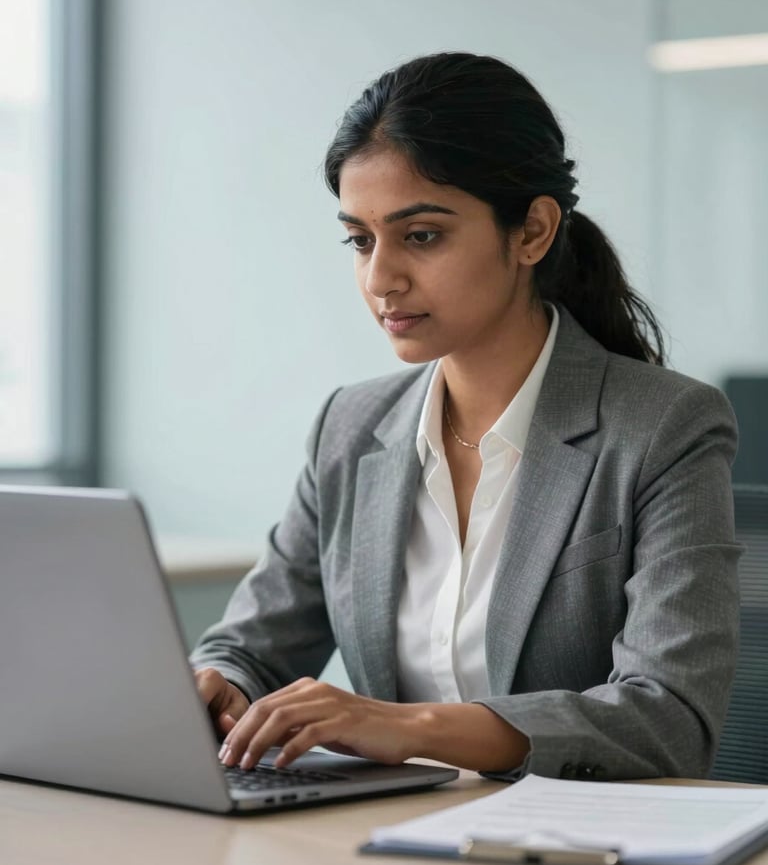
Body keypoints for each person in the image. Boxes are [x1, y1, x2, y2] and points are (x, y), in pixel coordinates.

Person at [190, 52, 741, 782]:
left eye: (421, 236)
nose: (380, 278)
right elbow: (252, 649)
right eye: (360, 239)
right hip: (379, 835)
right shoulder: (351, 427)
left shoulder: (664, 427)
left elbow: (667, 717)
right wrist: (218, 688)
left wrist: (405, 726)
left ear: (533, 232)